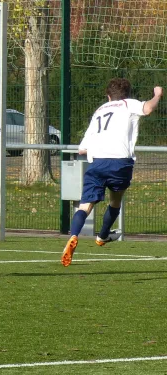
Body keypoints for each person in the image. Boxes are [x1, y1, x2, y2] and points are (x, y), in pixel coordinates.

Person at [61, 78, 163, 267]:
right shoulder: (127, 104)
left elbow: (82, 149)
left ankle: (74, 235)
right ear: (127, 94)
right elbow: (148, 109)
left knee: (85, 206)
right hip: (120, 162)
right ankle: (102, 236)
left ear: (108, 96)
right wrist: (157, 95)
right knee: (115, 200)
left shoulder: (100, 110)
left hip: (97, 162)